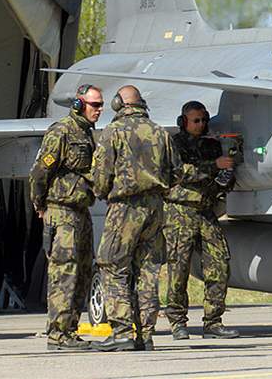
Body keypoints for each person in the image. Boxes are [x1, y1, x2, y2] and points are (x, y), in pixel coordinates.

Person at [90, 85, 182, 352]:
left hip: (125, 207)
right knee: (148, 270)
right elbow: (177, 172)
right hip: (155, 208)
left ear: (119, 104)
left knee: (112, 264)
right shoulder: (160, 132)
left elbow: (101, 176)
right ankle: (145, 334)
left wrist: (103, 193)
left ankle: (121, 332)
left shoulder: (114, 132)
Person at [29, 84, 103, 351]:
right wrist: (40, 204)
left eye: (100, 105)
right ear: (79, 105)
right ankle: (58, 334)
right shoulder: (61, 132)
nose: (99, 110)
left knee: (82, 271)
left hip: (81, 211)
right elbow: (40, 172)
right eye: (95, 105)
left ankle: (70, 330)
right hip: (62, 212)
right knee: (65, 272)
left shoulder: (87, 133)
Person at [163, 101, 239, 340]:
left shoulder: (212, 146)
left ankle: (213, 321)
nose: (201, 125)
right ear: (183, 122)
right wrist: (213, 166)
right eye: (196, 120)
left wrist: (226, 175)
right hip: (180, 212)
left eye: (204, 120)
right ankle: (177, 323)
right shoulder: (174, 145)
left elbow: (225, 181)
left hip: (206, 210)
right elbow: (180, 173)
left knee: (219, 264)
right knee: (179, 269)